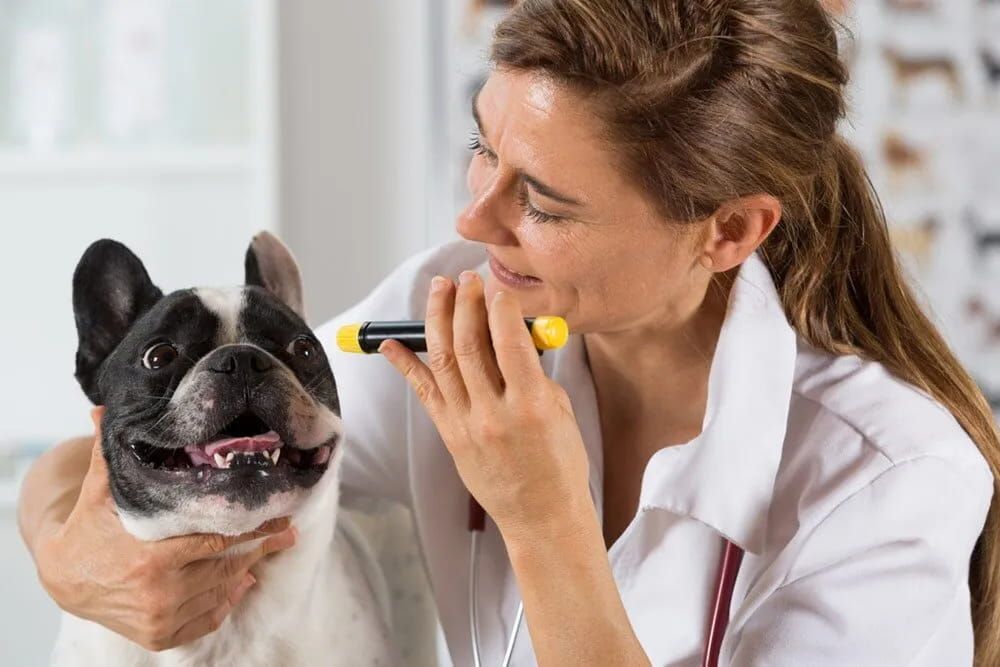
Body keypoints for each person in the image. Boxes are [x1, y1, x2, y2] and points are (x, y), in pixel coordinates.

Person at [18, 0, 1000, 664]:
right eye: (481, 150)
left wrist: (544, 521)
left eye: (545, 200)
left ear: (729, 230)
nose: (473, 222)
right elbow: (122, 439)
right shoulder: (454, 307)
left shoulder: (888, 481)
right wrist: (67, 548)